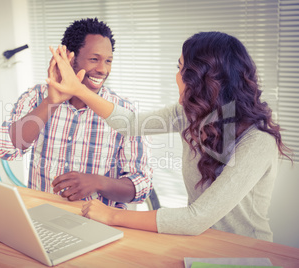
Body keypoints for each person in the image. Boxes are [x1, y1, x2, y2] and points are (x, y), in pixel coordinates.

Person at [47, 31, 292, 241]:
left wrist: (111, 215)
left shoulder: (258, 141)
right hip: (199, 241)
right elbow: (130, 124)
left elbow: (196, 218)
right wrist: (78, 90)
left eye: (180, 67)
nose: (177, 75)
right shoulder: (190, 114)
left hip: (245, 251)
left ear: (201, 78)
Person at [0, 18, 153, 209]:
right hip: (42, 217)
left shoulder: (124, 111)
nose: (102, 69)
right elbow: (6, 149)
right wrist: (50, 102)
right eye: (94, 59)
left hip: (98, 225)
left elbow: (142, 186)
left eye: (108, 61)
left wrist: (98, 182)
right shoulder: (37, 96)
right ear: (70, 58)